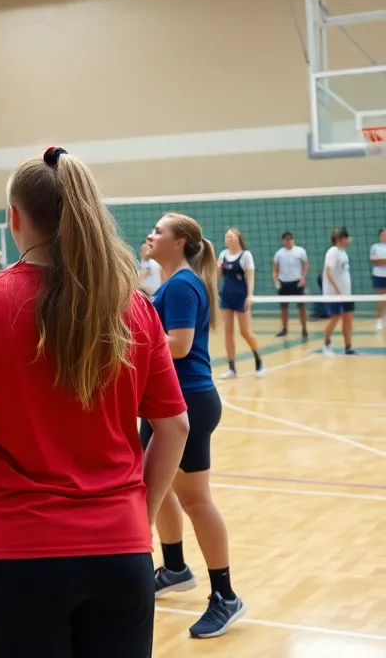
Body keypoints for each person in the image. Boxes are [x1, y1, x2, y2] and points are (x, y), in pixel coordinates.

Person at [0, 148, 191, 657]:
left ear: (14, 218)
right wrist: (142, 512)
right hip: (121, 548)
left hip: (17, 553)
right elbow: (174, 426)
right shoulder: (131, 304)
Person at [143, 212, 245, 638]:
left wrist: (124, 337)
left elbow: (179, 345)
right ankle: (175, 567)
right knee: (159, 485)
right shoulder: (173, 283)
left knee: (194, 499)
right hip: (170, 402)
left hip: (187, 402)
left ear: (181, 241)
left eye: (159, 231)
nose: (150, 235)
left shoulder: (183, 284)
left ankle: (225, 595)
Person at [217, 230, 263, 378]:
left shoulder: (246, 255)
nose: (228, 238)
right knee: (228, 333)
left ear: (238, 238)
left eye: (231, 236)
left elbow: (250, 277)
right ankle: (231, 368)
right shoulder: (223, 255)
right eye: (226, 236)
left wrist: (250, 296)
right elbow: (217, 276)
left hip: (241, 298)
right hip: (226, 297)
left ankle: (258, 360)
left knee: (245, 332)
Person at [323, 228, 357, 356]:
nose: (349, 239)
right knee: (335, 317)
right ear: (339, 239)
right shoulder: (332, 252)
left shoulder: (343, 253)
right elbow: (328, 272)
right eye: (346, 237)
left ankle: (348, 346)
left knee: (348, 318)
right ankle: (326, 344)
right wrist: (337, 291)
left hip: (346, 293)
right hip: (334, 294)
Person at [272, 232, 309, 338]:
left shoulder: (300, 251)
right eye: (286, 239)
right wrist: (276, 281)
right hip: (284, 283)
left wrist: (303, 277)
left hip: (297, 282)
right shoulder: (279, 254)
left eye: (290, 239)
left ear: (293, 239)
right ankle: (284, 329)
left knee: (301, 307)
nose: (288, 241)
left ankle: (304, 329)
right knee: (284, 307)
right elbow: (275, 270)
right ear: (283, 241)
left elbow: (306, 265)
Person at [371, 227, 386, 332]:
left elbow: (379, 261)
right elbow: (374, 261)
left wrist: (381, 260)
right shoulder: (375, 247)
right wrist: (380, 261)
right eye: (383, 235)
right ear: (380, 236)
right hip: (379, 276)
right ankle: (379, 321)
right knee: (380, 300)